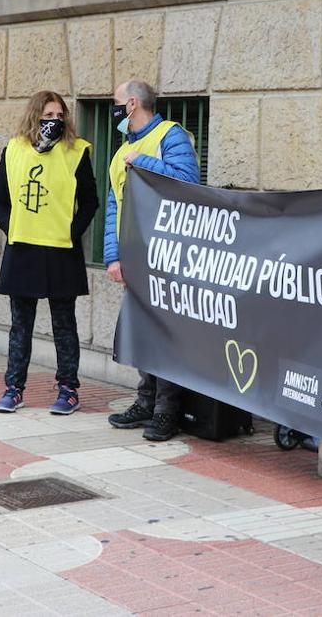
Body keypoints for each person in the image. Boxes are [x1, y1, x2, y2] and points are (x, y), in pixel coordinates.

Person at [103, 79, 201, 443]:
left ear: (131, 104)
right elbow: (114, 204)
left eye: (115, 102)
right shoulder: (120, 151)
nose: (113, 109)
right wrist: (113, 255)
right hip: (136, 254)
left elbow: (189, 181)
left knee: (166, 334)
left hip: (168, 253)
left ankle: (166, 411)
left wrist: (140, 161)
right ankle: (145, 401)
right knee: (143, 333)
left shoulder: (169, 135)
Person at [0, 91, 99, 415]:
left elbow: (90, 201)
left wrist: (70, 231)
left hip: (61, 251)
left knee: (64, 324)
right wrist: (14, 228)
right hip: (23, 249)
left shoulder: (76, 152)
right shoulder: (13, 150)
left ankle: (68, 390)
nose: (54, 121)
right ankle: (14, 388)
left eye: (59, 115)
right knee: (20, 326)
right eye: (47, 115)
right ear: (35, 116)